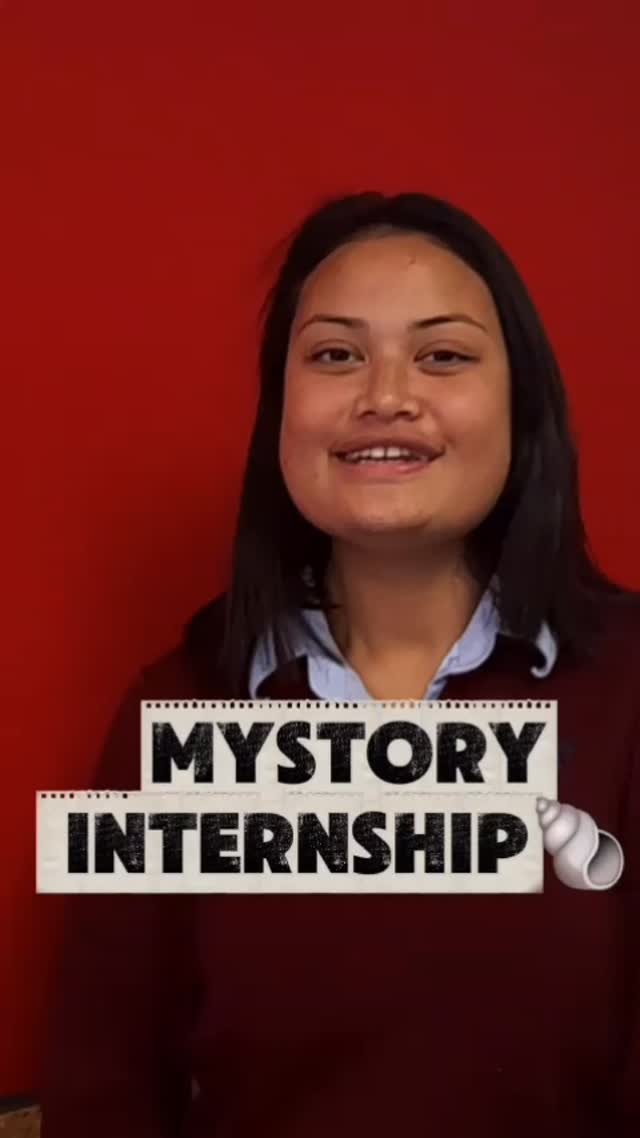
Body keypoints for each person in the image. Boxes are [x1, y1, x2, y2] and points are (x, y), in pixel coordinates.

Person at [41, 192, 639, 1136]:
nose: (384, 396)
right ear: (281, 411)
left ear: (522, 407)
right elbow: (104, 1092)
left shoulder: (627, 691)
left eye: (442, 356)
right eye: (334, 355)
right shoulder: (178, 707)